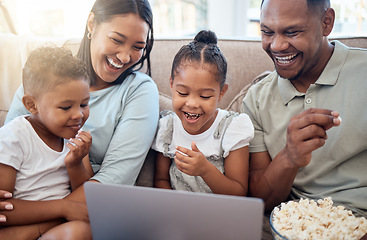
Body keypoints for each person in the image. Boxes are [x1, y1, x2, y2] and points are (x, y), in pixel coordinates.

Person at [2, 0, 158, 239]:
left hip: (82, 215)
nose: (126, 56)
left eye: (138, 46)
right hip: (50, 212)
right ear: (92, 23)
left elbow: (113, 182)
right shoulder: (42, 81)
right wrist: (63, 210)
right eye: (117, 40)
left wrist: (48, 219)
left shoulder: (138, 91)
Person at [242, 0, 367, 213]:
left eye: (291, 32)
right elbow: (261, 202)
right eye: (267, 32)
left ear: (326, 22)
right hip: (298, 226)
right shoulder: (256, 99)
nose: (277, 45)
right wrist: (289, 156)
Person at [0, 46, 93, 237]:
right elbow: (3, 208)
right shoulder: (14, 137)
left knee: (84, 228)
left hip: (60, 226)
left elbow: (87, 195)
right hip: (17, 229)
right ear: (32, 105)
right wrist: (64, 208)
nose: (79, 114)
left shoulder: (76, 135)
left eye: (84, 104)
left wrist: (75, 164)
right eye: (66, 107)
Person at [153, 30, 254, 196]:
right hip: (176, 214)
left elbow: (239, 192)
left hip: (216, 215)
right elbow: (161, 180)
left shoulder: (232, 128)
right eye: (183, 93)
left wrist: (206, 170)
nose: (192, 104)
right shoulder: (168, 127)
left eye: (205, 96)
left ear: (222, 92)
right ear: (172, 84)